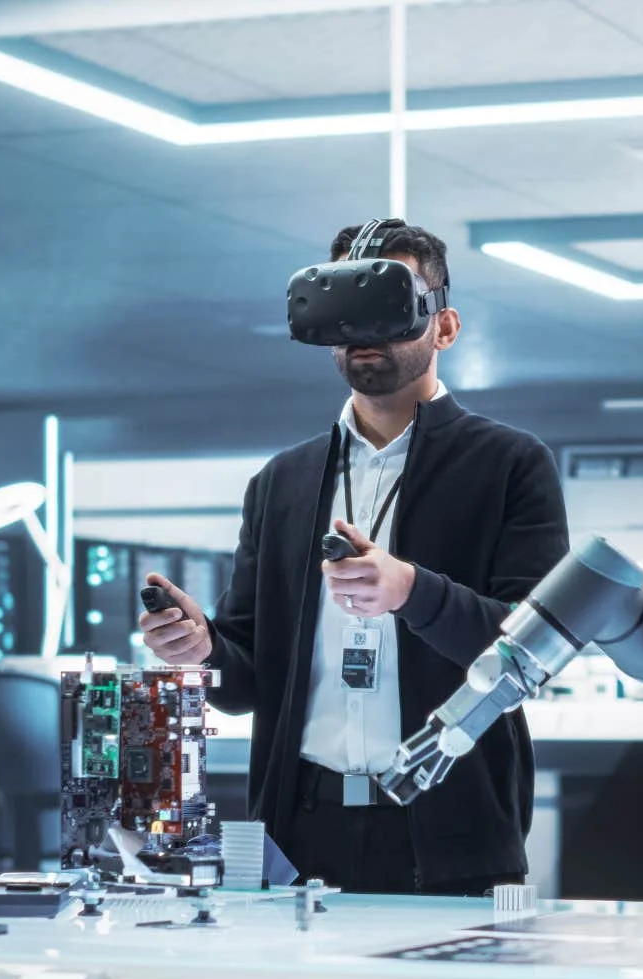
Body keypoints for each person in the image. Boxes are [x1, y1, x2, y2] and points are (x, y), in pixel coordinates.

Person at [138, 221, 569, 897]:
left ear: (445, 327)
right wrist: (203, 651)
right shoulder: (282, 482)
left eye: (388, 304)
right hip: (300, 832)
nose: (363, 328)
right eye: (345, 306)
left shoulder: (510, 465)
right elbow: (248, 679)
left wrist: (412, 592)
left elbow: (536, 649)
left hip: (450, 831)